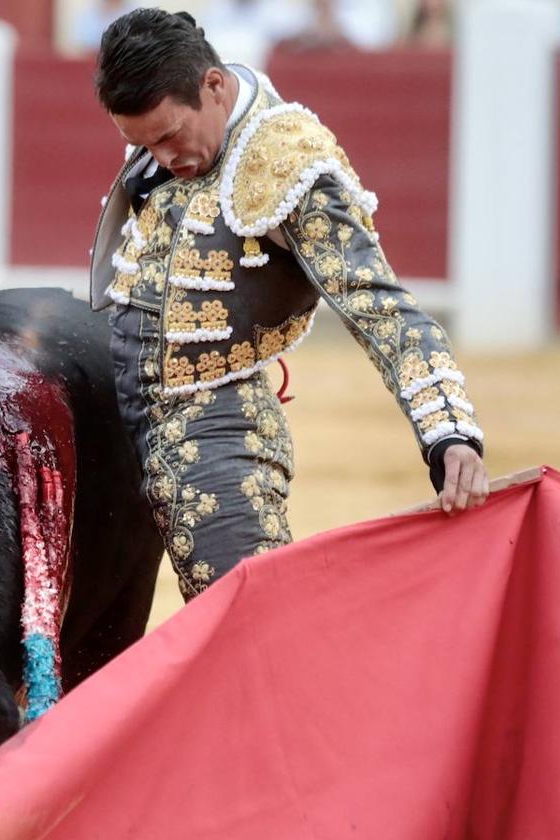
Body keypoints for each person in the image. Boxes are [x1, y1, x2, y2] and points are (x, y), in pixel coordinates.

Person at [88, 9, 488, 601]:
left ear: (214, 86)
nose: (163, 157)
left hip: (214, 424)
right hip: (114, 406)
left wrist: (449, 432)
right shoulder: (174, 137)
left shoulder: (287, 164)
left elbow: (377, 303)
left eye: (170, 135)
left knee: (250, 621)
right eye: (142, 143)